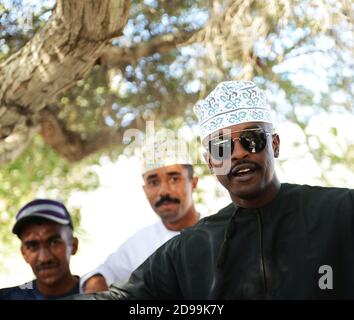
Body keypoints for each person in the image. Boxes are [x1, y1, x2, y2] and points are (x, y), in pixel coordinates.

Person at [72, 80, 354, 300]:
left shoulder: (340, 210)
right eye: (222, 147)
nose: (239, 153)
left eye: (252, 139)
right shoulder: (192, 246)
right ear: (210, 162)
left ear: (275, 145)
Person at [81, 138, 200, 293]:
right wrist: (95, 284)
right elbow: (103, 273)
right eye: (153, 182)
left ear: (193, 183)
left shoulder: (220, 231)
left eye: (174, 179)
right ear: (145, 191)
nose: (163, 191)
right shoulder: (140, 244)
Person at [0, 199, 80, 300]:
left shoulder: (99, 294)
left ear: (73, 245)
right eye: (32, 246)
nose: (44, 258)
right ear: (24, 254)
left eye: (54, 242)